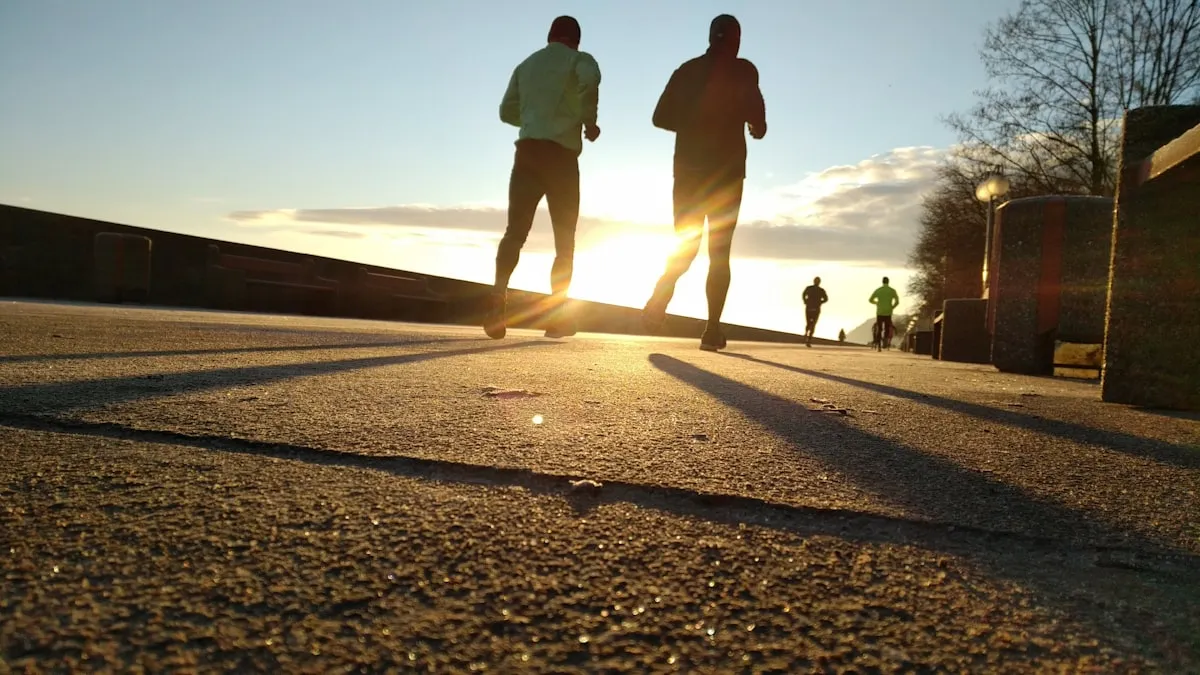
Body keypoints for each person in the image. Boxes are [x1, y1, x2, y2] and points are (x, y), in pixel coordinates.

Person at [641, 14, 767, 351]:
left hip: (688, 174)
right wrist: (754, 126)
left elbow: (659, 117)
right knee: (719, 253)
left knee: (686, 244)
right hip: (726, 175)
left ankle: (660, 294)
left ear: (711, 37)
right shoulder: (744, 71)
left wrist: (693, 121)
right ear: (737, 40)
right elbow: (759, 121)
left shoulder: (686, 70)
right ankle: (712, 330)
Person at [485, 16, 602, 340]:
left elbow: (506, 111)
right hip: (561, 159)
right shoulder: (581, 60)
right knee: (564, 243)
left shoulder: (527, 65)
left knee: (515, 232)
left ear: (550, 36)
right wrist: (588, 121)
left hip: (527, 153)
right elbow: (589, 81)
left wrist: (534, 119)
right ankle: (557, 317)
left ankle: (498, 297)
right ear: (576, 40)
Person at [868, 276, 900, 348]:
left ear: (882, 282)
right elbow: (897, 301)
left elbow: (870, 300)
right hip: (888, 312)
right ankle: (885, 341)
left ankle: (878, 341)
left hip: (879, 312)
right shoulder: (892, 290)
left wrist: (876, 303)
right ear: (888, 282)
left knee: (879, 328)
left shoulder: (878, 290)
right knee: (887, 328)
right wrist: (892, 307)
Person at [801, 276, 828, 347]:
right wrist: (820, 302)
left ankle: (807, 333)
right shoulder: (821, 290)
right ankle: (809, 338)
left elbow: (803, 295)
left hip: (809, 307)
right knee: (813, 324)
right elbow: (826, 299)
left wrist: (805, 301)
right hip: (816, 308)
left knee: (809, 322)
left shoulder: (809, 288)